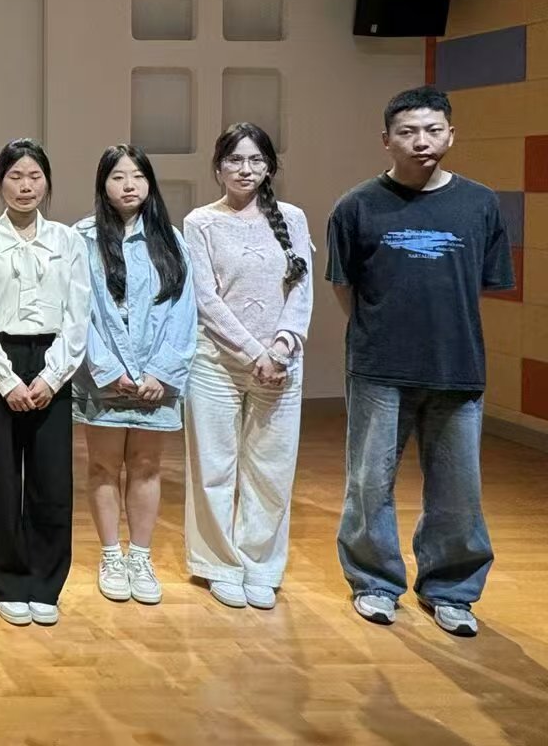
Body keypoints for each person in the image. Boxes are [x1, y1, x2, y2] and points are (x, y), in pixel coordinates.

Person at [328, 86, 513, 638]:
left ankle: (451, 591)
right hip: (378, 368)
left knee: (458, 491)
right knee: (369, 484)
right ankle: (374, 583)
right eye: (407, 132)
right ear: (386, 140)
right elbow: (344, 285)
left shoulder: (480, 203)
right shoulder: (357, 205)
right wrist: (380, 331)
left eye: (433, 130)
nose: (421, 141)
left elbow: (482, 284)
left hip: (457, 367)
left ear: (451, 134)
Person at [182, 123, 314, 611]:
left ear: (269, 167)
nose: (245, 169)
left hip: (281, 365)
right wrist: (253, 353)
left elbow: (301, 291)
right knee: (214, 468)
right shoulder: (200, 222)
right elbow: (205, 298)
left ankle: (260, 566)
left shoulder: (293, 218)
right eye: (235, 160)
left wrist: (280, 349)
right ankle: (219, 564)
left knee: (271, 470)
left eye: (256, 160)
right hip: (216, 363)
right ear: (218, 167)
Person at [0, 138, 90, 627]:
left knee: (51, 480)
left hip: (53, 361)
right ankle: (8, 582)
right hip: (1, 361)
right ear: (0, 184)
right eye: (15, 176)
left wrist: (53, 376)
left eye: (34, 176)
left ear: (47, 183)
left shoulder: (68, 241)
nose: (25, 186)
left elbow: (79, 314)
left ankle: (45, 582)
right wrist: (6, 379)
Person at [72, 144, 196, 606]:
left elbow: (185, 310)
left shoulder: (171, 239)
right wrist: (105, 370)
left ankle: (140, 557)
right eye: (118, 177)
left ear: (150, 184)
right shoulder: (81, 238)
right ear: (102, 184)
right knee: (103, 466)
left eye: (138, 176)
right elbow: (77, 312)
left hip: (155, 381)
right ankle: (110, 555)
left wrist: (161, 372)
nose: (129, 186)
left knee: (146, 466)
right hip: (103, 378)